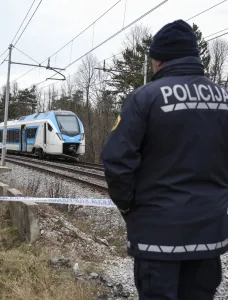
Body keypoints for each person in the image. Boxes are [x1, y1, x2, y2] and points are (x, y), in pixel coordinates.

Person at [101, 19, 228, 300]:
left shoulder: (144, 98)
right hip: (210, 235)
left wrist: (129, 208)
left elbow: (116, 160)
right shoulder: (224, 99)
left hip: (157, 240)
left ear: (158, 60)